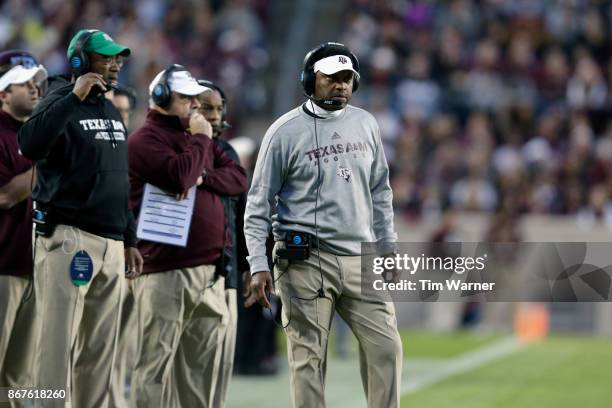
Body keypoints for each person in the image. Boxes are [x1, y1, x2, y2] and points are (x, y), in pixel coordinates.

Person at [244, 42, 403, 408]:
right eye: (331, 78)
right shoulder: (284, 132)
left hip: (361, 258)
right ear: (309, 80)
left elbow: (381, 190)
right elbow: (258, 203)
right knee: (309, 359)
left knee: (386, 347)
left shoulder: (367, 124)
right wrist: (258, 263)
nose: (341, 85)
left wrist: (388, 246)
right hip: (305, 260)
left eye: (347, 79)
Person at [17, 29, 142, 407]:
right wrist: (73, 96)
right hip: (70, 240)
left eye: (118, 57)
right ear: (79, 60)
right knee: (56, 344)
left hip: (111, 243)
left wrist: (130, 238)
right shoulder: (59, 98)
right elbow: (29, 145)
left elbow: (118, 177)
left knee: (99, 351)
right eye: (106, 57)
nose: (115, 63)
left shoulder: (108, 106)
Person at [128, 66, 247, 408]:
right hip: (165, 271)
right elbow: (181, 176)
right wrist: (200, 143)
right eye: (186, 98)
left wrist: (203, 173)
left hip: (207, 272)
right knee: (153, 370)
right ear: (163, 98)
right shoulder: (145, 139)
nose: (195, 105)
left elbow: (238, 179)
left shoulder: (197, 137)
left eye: (197, 97)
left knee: (199, 376)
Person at [196, 79, 249, 406]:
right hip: (182, 266)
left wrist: (247, 266)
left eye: (218, 109)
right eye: (207, 108)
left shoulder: (226, 151)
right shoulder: (182, 146)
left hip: (225, 272)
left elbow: (238, 183)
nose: (214, 116)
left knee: (219, 366)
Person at [0, 50, 47, 400]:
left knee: (18, 377)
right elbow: (5, 195)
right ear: (3, 92)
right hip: (2, 266)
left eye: (36, 83)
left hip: (35, 267)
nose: (34, 89)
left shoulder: (37, 132)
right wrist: (47, 160)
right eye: (24, 84)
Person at [106, 84, 137, 408]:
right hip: (97, 254)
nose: (119, 118)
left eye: (125, 112)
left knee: (122, 343)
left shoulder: (134, 150)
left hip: (132, 258)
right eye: (115, 110)